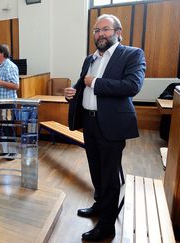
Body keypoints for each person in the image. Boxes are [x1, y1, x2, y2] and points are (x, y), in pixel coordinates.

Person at [64, 14, 145, 241]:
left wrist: (96, 83)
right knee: (96, 170)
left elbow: (133, 85)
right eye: (97, 30)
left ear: (118, 32)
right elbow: (82, 83)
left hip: (112, 124)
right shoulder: (90, 59)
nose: (100, 34)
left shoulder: (132, 54)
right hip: (89, 122)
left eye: (106, 29)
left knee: (110, 176)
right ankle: (100, 205)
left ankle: (107, 226)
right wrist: (72, 91)